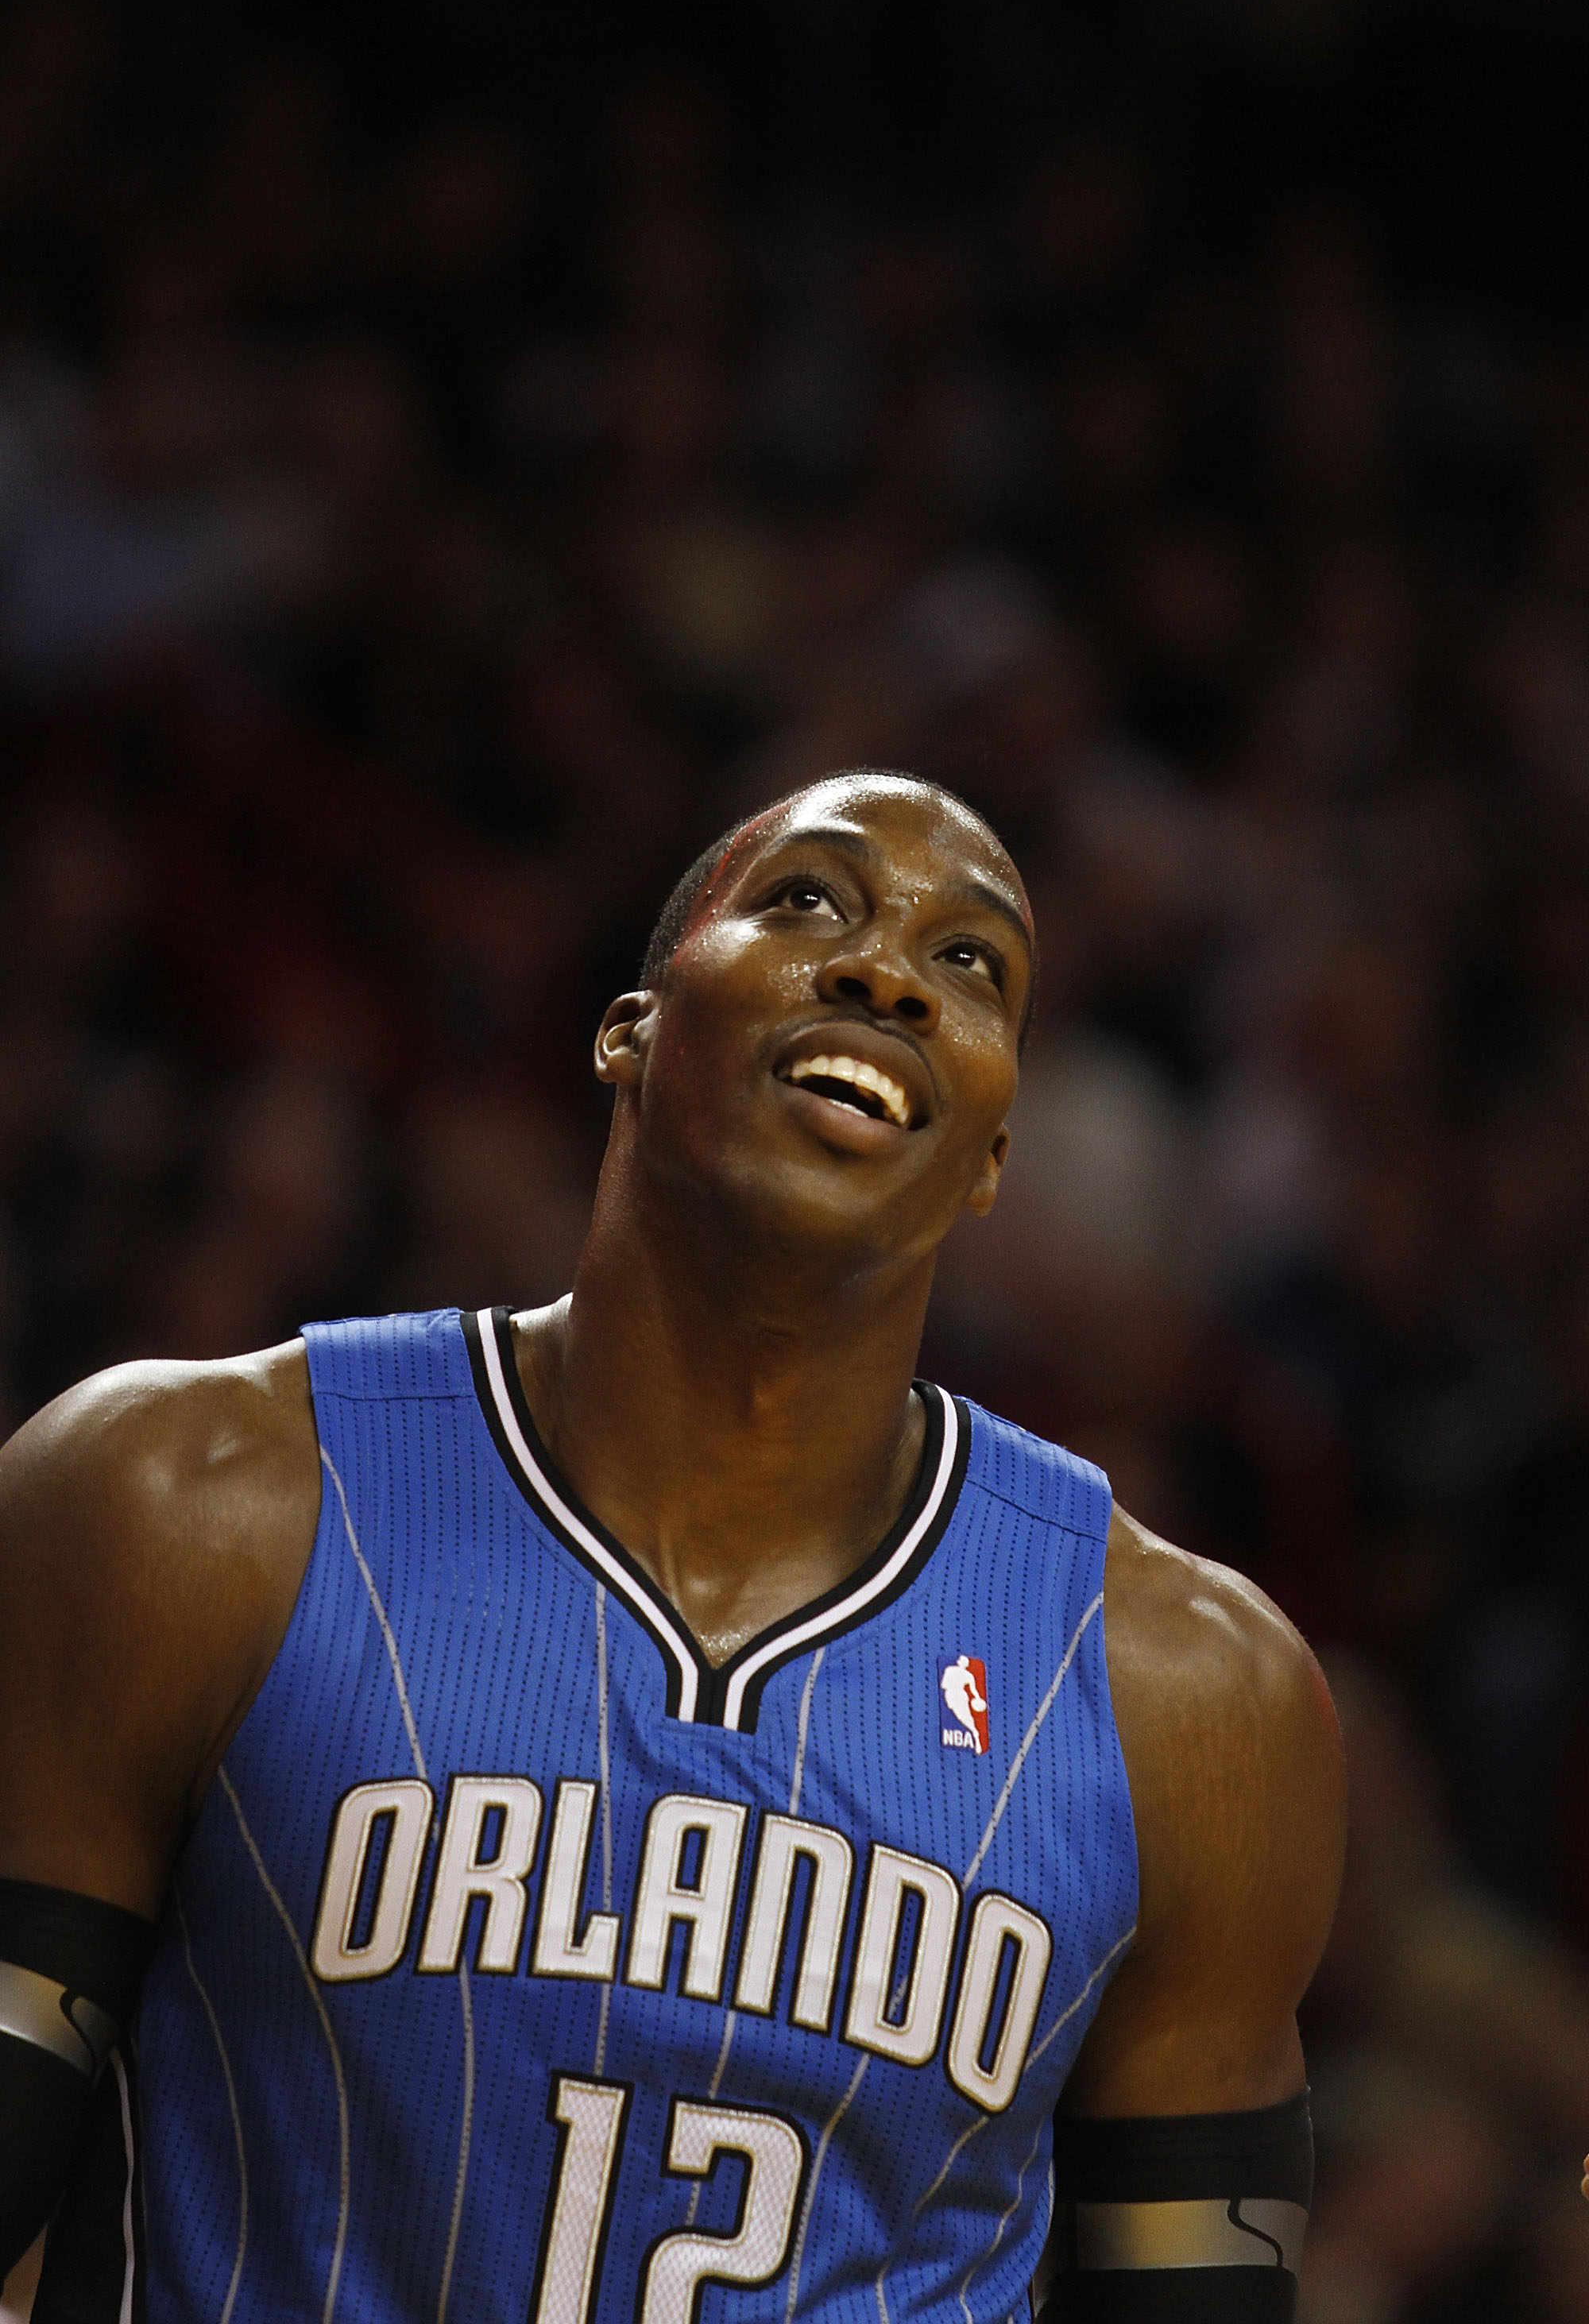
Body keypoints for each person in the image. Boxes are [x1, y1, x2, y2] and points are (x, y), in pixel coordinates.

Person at [0, 772, 1344, 2322]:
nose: (885, 970)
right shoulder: (186, 1500)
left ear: (990, 1156)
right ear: (627, 1029)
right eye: (807, 904)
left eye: (969, 964)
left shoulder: (1191, 1700)